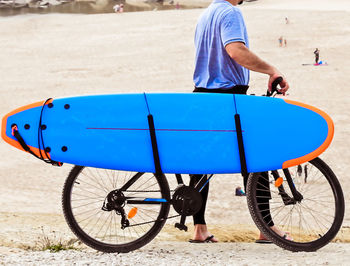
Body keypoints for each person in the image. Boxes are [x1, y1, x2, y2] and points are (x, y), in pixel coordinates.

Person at [190, 0, 291, 243]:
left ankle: (199, 228)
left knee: (201, 162)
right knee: (255, 158)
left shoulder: (206, 14)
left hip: (200, 96)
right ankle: (265, 228)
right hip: (227, 97)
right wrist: (271, 70)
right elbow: (235, 50)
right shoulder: (230, 11)